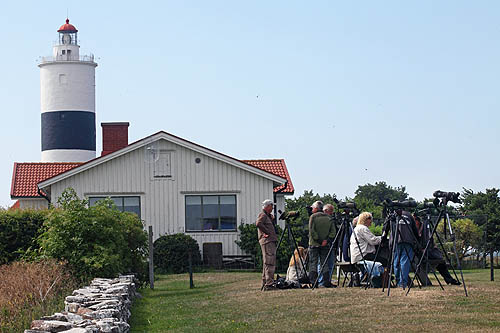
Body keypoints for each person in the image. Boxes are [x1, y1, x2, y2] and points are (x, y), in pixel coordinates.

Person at [413, 214, 460, 285]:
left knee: (441, 262)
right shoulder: (412, 230)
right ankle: (449, 279)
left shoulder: (425, 228)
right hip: (419, 254)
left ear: (418, 221)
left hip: (428, 251)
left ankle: (449, 279)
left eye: (415, 221)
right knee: (438, 259)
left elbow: (429, 240)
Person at [308, 201, 336, 288]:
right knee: (325, 263)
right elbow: (333, 232)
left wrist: (319, 240)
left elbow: (312, 231)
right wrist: (326, 240)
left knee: (313, 263)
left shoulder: (313, 217)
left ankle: (314, 282)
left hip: (314, 244)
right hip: (325, 245)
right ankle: (326, 282)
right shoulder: (329, 218)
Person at [389, 210, 419, 289]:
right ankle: (402, 283)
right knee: (404, 262)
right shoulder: (409, 215)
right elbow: (415, 230)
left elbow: (386, 227)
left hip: (396, 241)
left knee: (396, 261)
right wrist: (418, 241)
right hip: (408, 240)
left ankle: (398, 281)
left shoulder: (392, 214)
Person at [256, 199, 278, 291]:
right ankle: (269, 284)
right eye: (272, 206)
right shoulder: (263, 215)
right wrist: (266, 232)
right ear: (267, 206)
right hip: (267, 241)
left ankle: (266, 283)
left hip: (268, 241)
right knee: (270, 262)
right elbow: (258, 223)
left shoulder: (267, 216)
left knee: (267, 262)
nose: (273, 208)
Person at [317, 204, 337, 286]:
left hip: (330, 243)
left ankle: (327, 281)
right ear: (325, 211)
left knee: (330, 263)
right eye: (330, 212)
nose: (332, 214)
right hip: (323, 243)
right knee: (322, 263)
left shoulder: (329, 220)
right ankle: (321, 281)